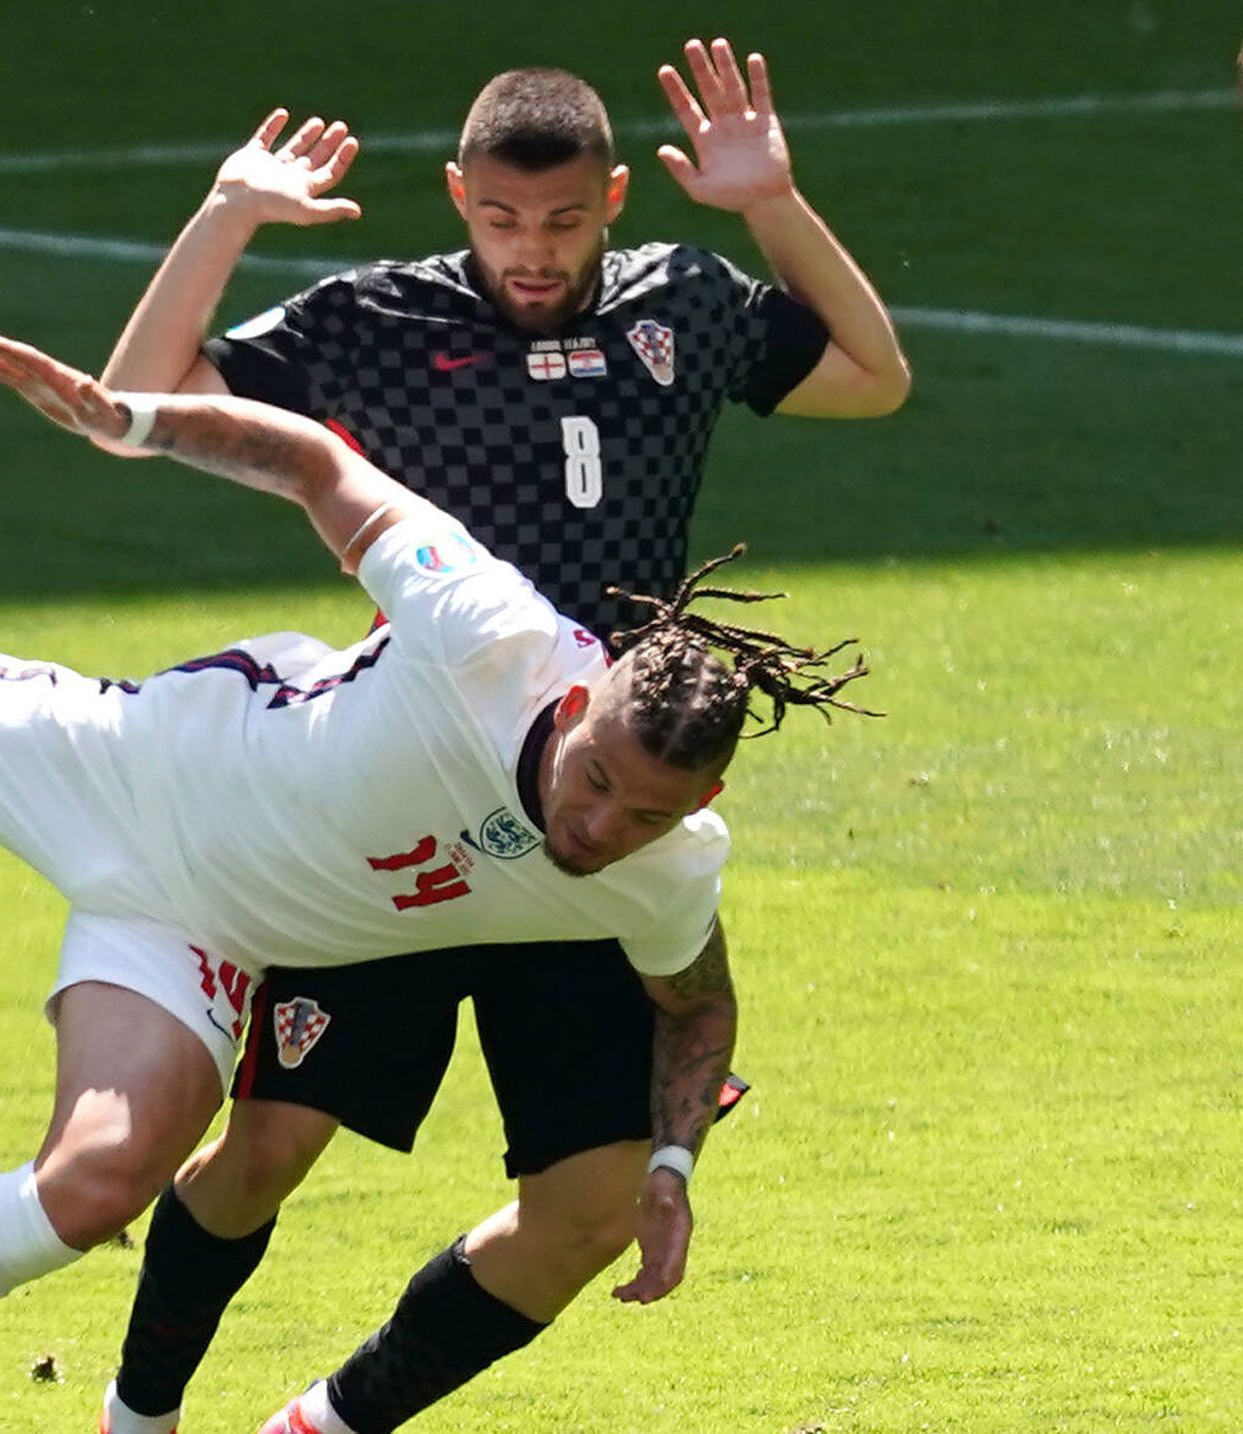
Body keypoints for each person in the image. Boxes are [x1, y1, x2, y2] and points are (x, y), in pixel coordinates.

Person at [0, 328, 871, 1398]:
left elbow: (698, 1003)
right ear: (584, 697)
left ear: (698, 803)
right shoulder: (492, 630)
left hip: (199, 939)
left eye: (644, 817)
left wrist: (671, 1167)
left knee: (87, 1191)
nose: (599, 830)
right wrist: (135, 420)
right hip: (121, 765)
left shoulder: (668, 867)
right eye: (596, 783)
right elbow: (315, 462)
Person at [91, 43, 911, 1434]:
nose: (531, 253)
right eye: (499, 220)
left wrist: (768, 200)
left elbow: (869, 375)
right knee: (269, 1145)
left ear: (610, 196)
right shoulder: (374, 319)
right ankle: (138, 1416)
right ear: (458, 194)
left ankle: (321, 1425)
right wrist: (227, 210)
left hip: (590, 810)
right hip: (405, 787)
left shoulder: (682, 304)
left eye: (565, 219)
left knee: (590, 1208)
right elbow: (134, 404)